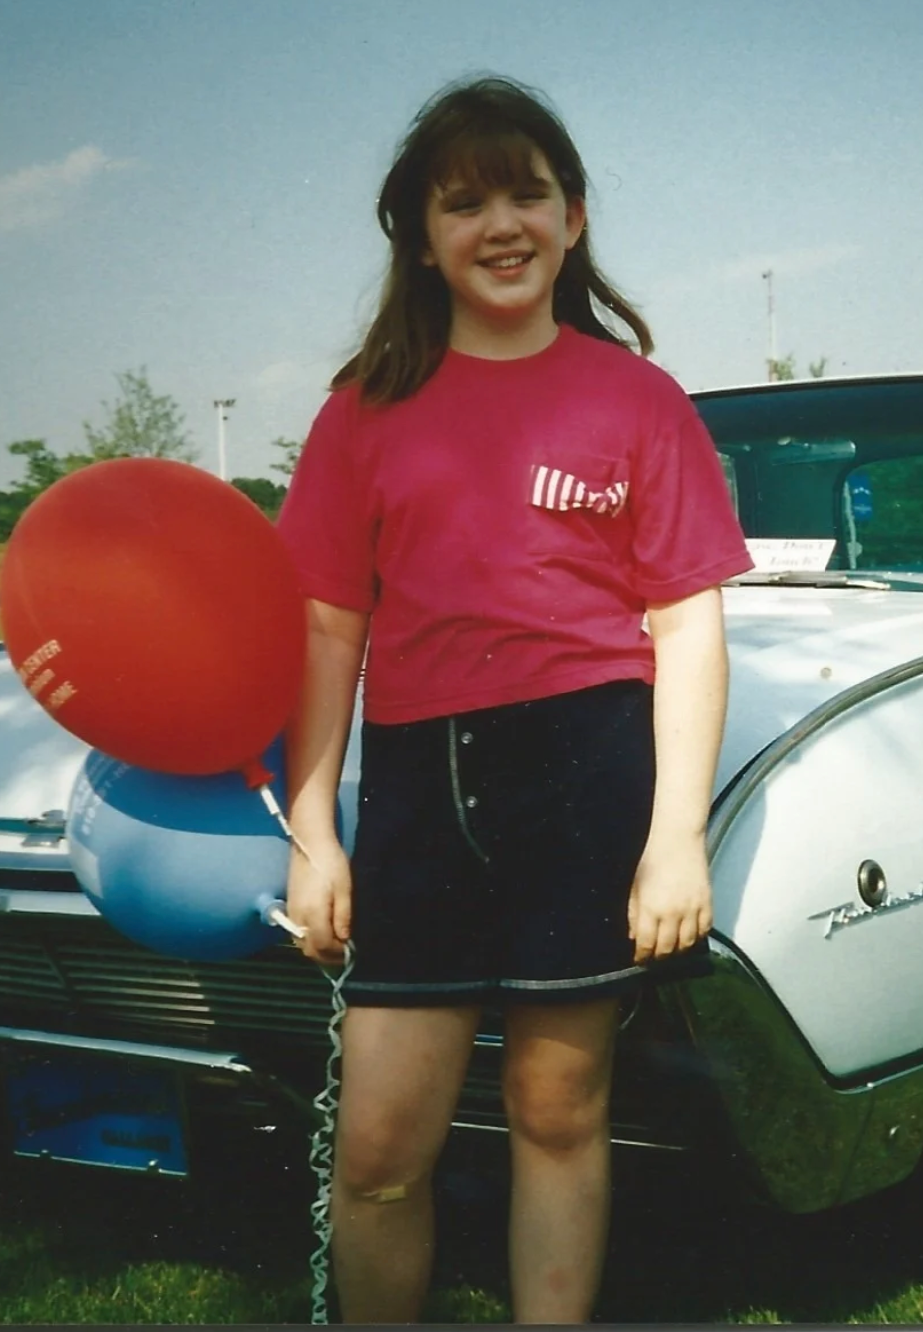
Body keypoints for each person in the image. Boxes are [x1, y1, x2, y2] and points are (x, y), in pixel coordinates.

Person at [275, 76, 752, 1324]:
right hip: (422, 791)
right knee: (378, 1154)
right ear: (419, 236)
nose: (501, 224)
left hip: (587, 775)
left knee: (556, 1113)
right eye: (463, 200)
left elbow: (687, 624)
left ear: (572, 218)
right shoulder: (361, 412)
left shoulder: (636, 399)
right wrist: (314, 829)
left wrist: (675, 839)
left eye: (526, 194)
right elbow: (327, 629)